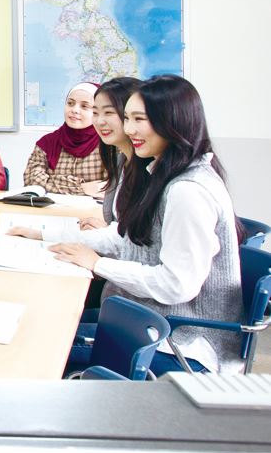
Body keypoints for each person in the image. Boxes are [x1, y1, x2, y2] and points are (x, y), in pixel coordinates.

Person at [20, 76, 243, 373]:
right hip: (151, 321)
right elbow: (124, 237)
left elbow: (176, 285)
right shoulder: (164, 173)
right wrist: (45, 235)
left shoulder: (187, 190)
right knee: (44, 321)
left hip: (182, 344)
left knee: (40, 338)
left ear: (172, 122)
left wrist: (98, 264)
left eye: (140, 119)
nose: (130, 129)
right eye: (128, 118)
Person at [80, 76, 143, 229]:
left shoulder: (149, 169)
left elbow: (142, 241)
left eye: (109, 112)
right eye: (95, 113)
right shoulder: (121, 161)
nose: (100, 121)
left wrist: (105, 233)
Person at [22, 83, 107, 194]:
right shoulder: (47, 142)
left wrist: (48, 182)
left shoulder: (107, 144)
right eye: (70, 103)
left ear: (97, 112)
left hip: (94, 211)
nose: (75, 110)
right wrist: (81, 187)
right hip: (51, 210)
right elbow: (31, 181)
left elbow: (108, 188)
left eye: (85, 106)